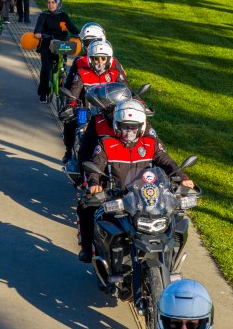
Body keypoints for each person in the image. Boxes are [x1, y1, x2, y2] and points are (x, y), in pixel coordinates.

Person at [76, 96, 193, 264]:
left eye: (133, 127)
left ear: (141, 127)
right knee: (85, 206)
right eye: (124, 127)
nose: (129, 131)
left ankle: (171, 259)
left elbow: (165, 160)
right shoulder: (106, 144)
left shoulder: (150, 143)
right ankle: (86, 249)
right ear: (117, 126)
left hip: (148, 196)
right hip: (118, 196)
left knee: (176, 217)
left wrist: (182, 177)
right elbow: (95, 164)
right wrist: (94, 184)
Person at [60, 38, 125, 158]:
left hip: (111, 112)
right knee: (70, 123)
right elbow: (74, 91)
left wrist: (139, 102)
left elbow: (127, 90)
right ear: (90, 59)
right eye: (96, 58)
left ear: (109, 59)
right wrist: (70, 105)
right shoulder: (82, 73)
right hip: (85, 111)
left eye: (103, 58)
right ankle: (69, 151)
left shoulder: (115, 74)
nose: (100, 62)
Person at [33, 0, 76, 101]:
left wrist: (79, 34)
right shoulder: (44, 15)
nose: (50, 5)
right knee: (46, 69)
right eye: (49, 2)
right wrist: (40, 34)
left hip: (62, 46)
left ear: (58, 4)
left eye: (53, 2)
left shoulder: (63, 15)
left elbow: (73, 28)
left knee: (62, 69)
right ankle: (43, 93)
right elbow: (37, 31)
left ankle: (62, 89)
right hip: (47, 45)